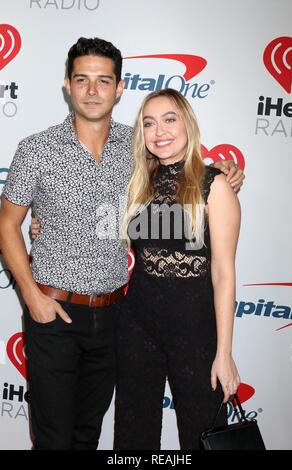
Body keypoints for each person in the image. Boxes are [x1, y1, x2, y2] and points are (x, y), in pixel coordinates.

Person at [0, 36, 243, 450]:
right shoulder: (35, 150)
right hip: (55, 314)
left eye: (103, 80)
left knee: (90, 434)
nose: (93, 91)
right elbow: (8, 225)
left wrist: (223, 169)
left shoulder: (137, 150)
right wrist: (31, 295)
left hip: (115, 318)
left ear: (119, 88)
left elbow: (181, 168)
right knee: (54, 438)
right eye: (83, 80)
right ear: (67, 85)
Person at [113, 88, 241, 450]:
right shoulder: (140, 182)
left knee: (202, 432)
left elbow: (223, 274)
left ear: (187, 123)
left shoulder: (214, 185)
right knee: (133, 432)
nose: (160, 131)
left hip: (195, 330)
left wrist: (224, 352)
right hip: (137, 324)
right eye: (149, 123)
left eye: (169, 119)